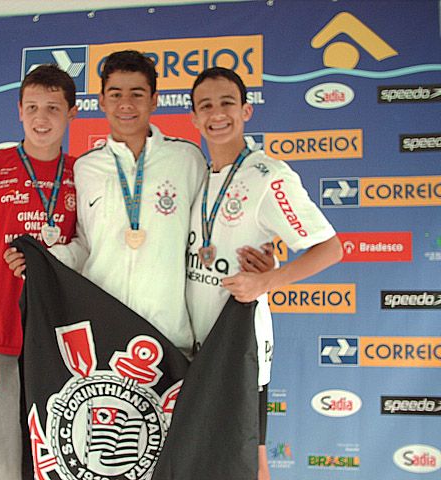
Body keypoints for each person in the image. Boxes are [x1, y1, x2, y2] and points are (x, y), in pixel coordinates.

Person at [186, 67, 343, 479]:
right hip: (191, 346)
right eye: (206, 106)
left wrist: (266, 281)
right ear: (193, 118)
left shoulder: (268, 175)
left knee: (249, 465)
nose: (217, 114)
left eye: (227, 103)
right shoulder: (199, 176)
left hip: (239, 347)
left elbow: (331, 248)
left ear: (246, 111)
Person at [7, 50, 207, 356]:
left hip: (170, 335)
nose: (125, 104)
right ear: (101, 102)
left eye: (137, 94)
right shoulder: (86, 168)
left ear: (154, 100)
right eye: (115, 94)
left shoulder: (186, 159)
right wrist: (41, 260)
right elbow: (85, 245)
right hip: (104, 333)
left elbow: (205, 235)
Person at [0, 64, 78, 479]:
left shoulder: (86, 174)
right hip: (3, 344)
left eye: (53, 108)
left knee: (65, 458)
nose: (41, 118)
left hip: (68, 348)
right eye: (32, 107)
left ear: (72, 113)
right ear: (19, 111)